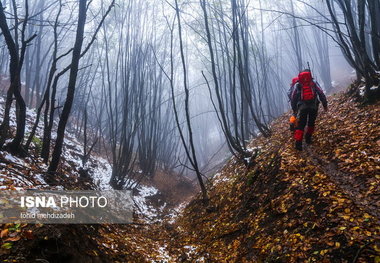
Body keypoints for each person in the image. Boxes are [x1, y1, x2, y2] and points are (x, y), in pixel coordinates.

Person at [290, 69, 328, 151]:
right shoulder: (313, 82)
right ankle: (308, 138)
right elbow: (321, 93)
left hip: (302, 107)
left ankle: (298, 144)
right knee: (311, 123)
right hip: (313, 106)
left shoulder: (298, 84)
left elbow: (293, 97)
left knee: (301, 125)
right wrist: (324, 104)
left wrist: (294, 109)